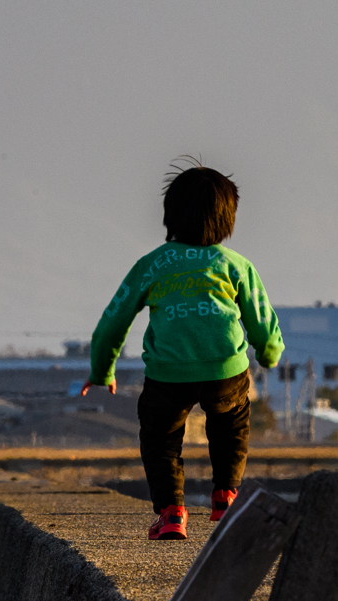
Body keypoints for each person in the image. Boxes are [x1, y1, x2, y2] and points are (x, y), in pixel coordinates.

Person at [81, 161, 284, 539]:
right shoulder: (235, 265)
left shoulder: (153, 265)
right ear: (228, 220)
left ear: (169, 215)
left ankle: (172, 513)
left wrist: (101, 371)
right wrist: (269, 354)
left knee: (161, 441)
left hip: (167, 374)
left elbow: (113, 322)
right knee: (230, 427)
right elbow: (262, 320)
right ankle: (225, 496)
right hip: (227, 370)